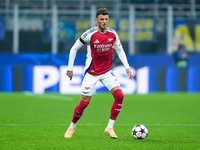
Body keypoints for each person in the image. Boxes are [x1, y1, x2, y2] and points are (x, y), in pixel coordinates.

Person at [64, 8, 133, 139]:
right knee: (84, 103)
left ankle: (110, 127)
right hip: (91, 72)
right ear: (96, 20)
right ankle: (72, 127)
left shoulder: (113, 34)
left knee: (120, 96)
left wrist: (127, 67)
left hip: (106, 72)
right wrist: (70, 68)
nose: (104, 22)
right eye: (102, 19)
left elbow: (120, 50)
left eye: (106, 19)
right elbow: (74, 49)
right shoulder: (89, 34)